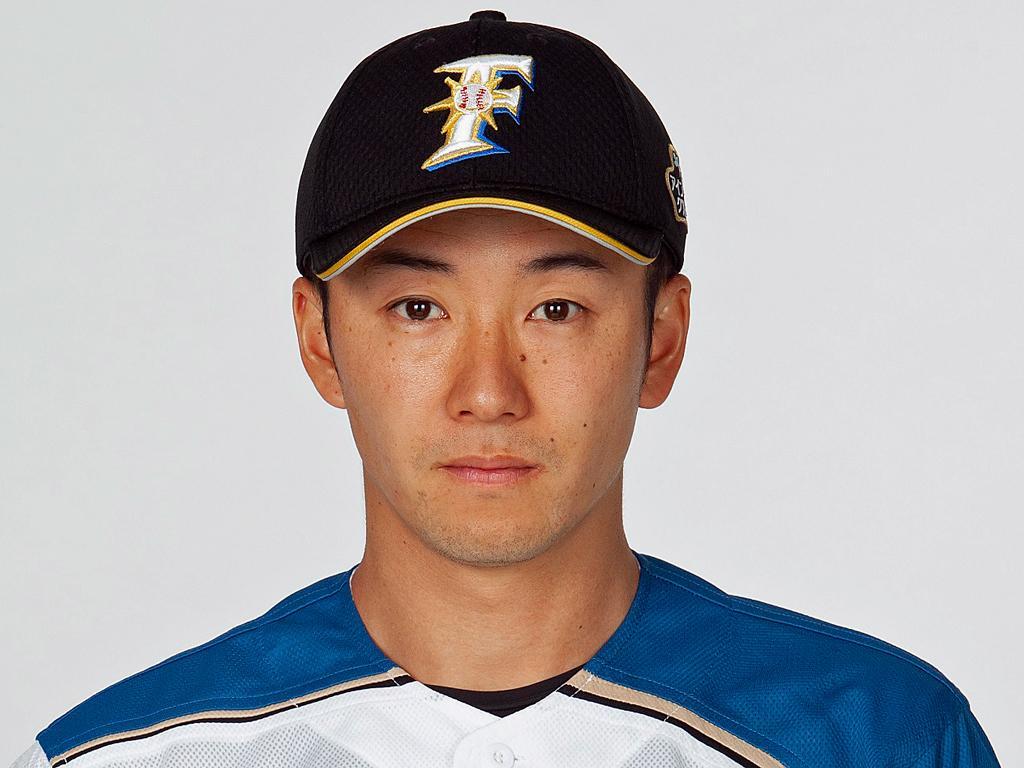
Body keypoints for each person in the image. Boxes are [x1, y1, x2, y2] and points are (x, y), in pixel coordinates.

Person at [11, 10, 1000, 768]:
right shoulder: (125, 757)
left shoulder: (877, 738)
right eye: (418, 309)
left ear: (660, 339)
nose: (487, 393)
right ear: (320, 340)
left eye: (555, 309)